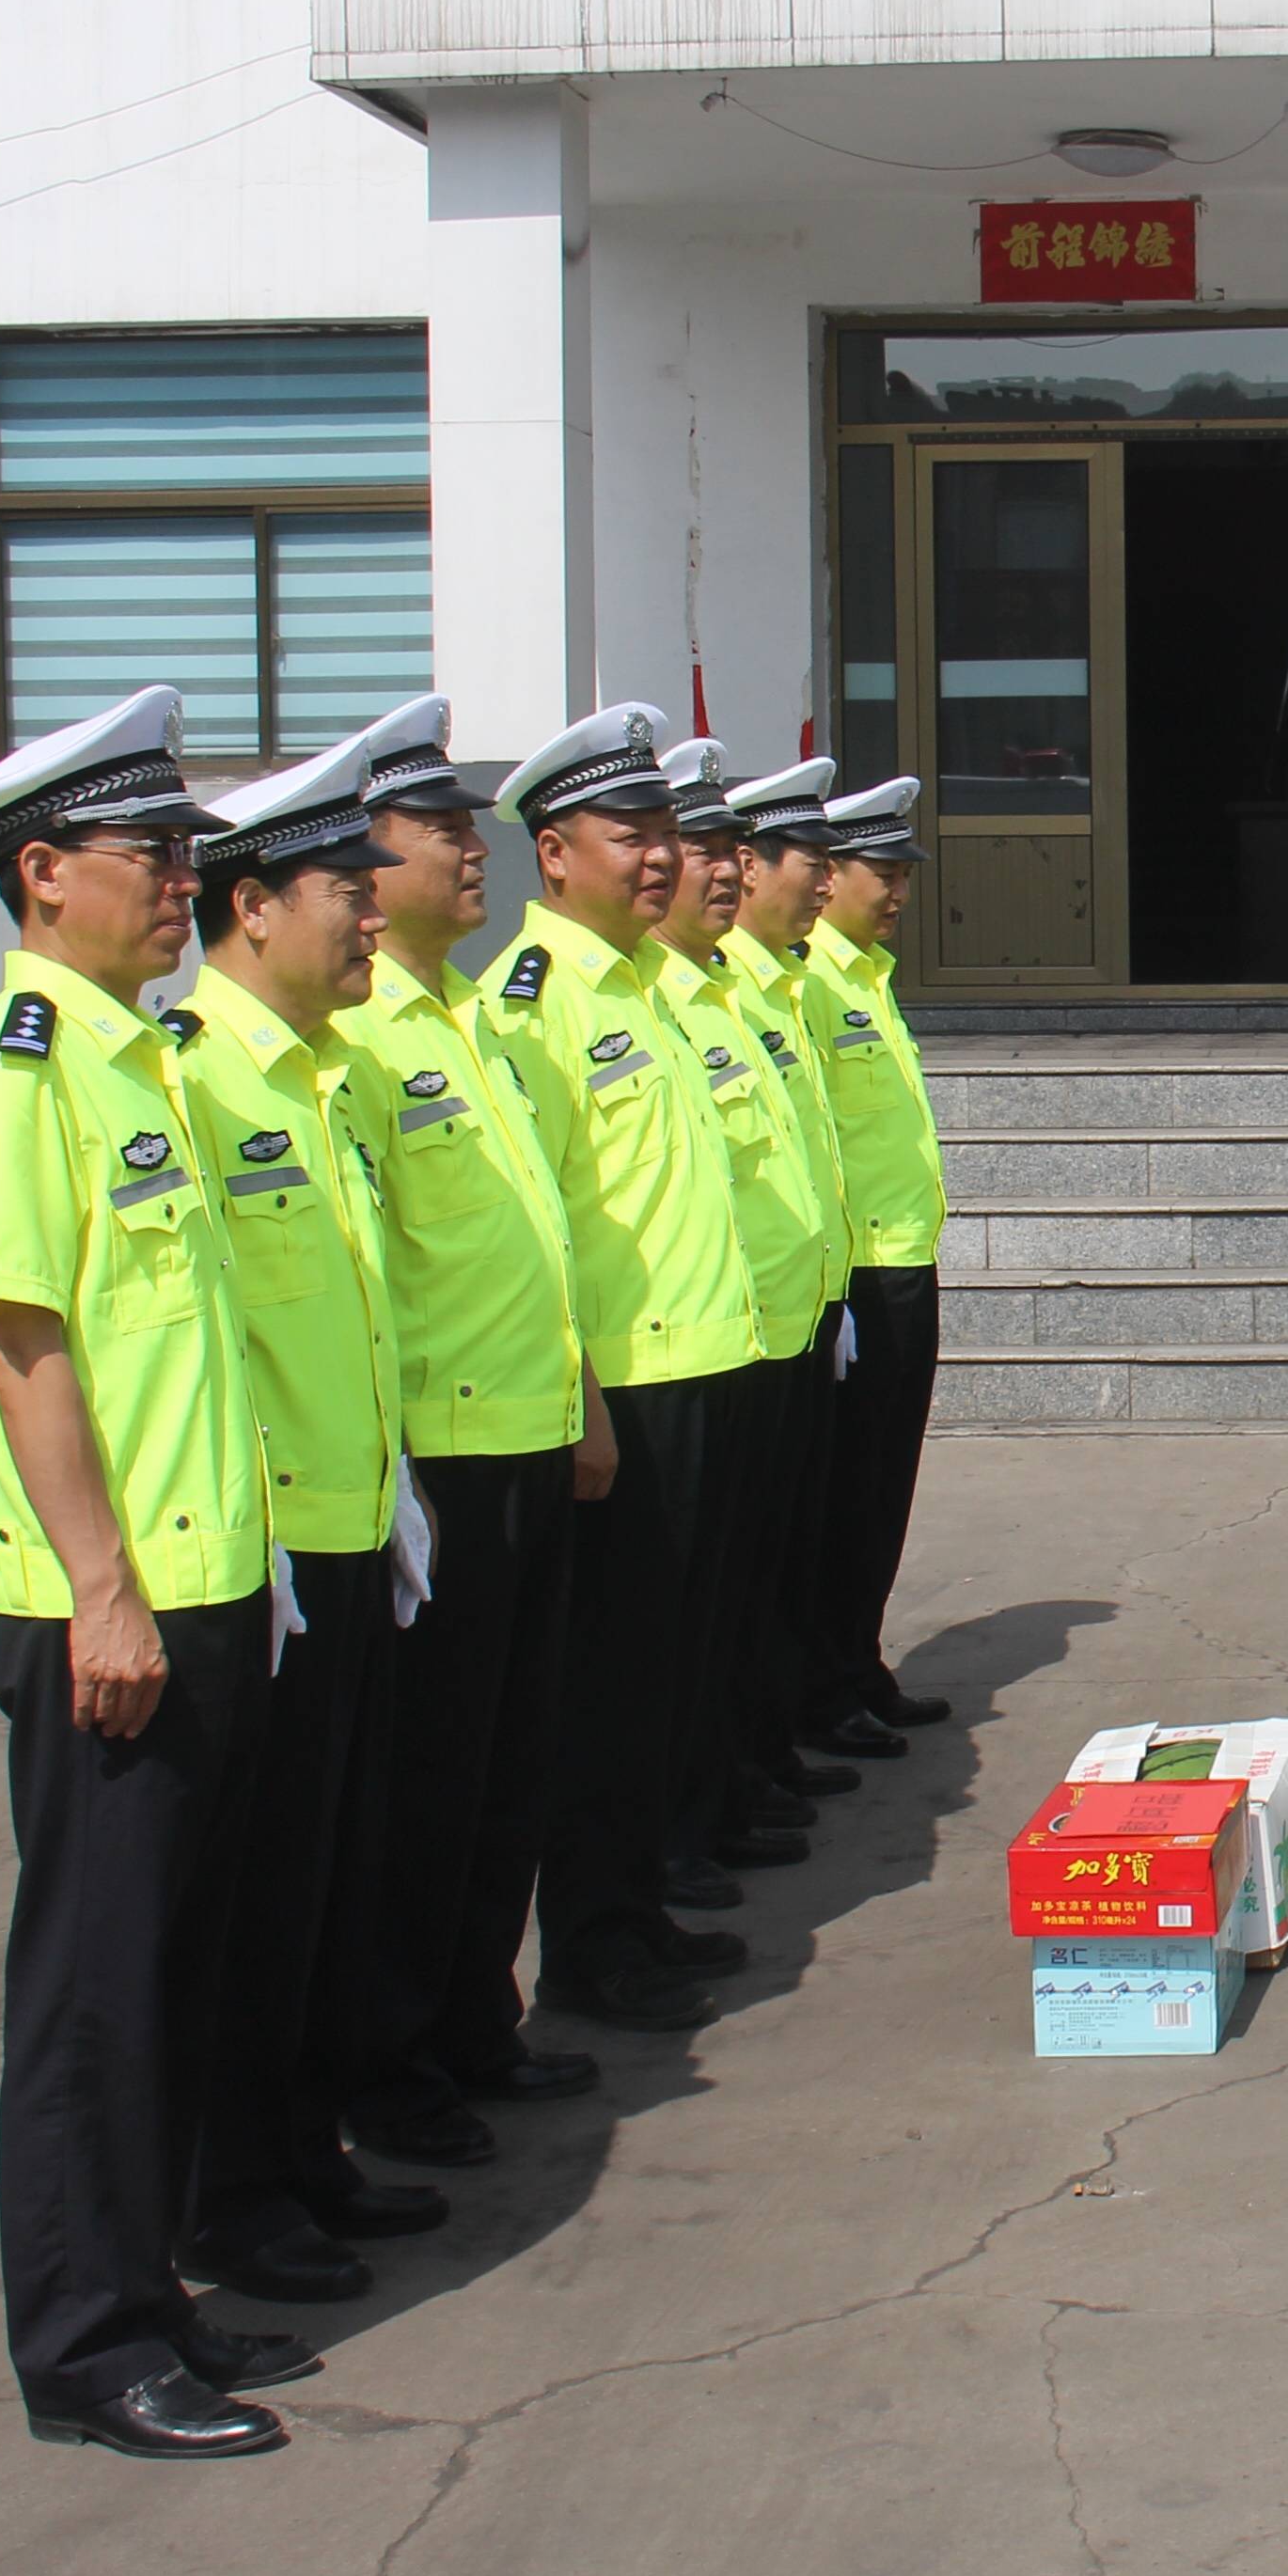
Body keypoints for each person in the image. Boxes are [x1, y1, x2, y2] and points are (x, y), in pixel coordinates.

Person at [0, 684, 298, 2459]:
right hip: (110, 1607)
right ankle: (86, 2347)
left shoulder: (135, 1052)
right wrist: (98, 1587)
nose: (182, 881)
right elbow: (24, 1345)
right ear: (45, 868)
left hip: (208, 1578)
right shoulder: (13, 1065)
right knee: (94, 1981)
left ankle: (154, 2296)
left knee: (178, 1962)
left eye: (185, 852)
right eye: (153, 853)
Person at [157, 743, 439, 2307]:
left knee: (328, 1874)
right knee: (252, 1899)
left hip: (348, 1528)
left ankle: (305, 2150)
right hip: (256, 1562)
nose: (372, 923)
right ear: (253, 906)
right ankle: (230, 2194)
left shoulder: (319, 1078)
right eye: (347, 893)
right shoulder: (195, 1079)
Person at [322, 697, 609, 2163]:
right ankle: (397, 2067)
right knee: (427, 1786)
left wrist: (578, 1401)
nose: (472, 848)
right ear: (366, 855)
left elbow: (535, 1240)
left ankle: (476, 2025)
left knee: (505, 1764)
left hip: (525, 1432)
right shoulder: (358, 1043)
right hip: (437, 1453)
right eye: (443, 828)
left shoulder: (468, 1018)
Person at [482, 703, 768, 2034]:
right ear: (554, 851)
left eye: (665, 832)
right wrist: (584, 1398)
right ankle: (592, 1943)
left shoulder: (652, 987)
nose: (659, 857)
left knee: (661, 1673)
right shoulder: (531, 1011)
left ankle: (639, 1901)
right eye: (629, 833)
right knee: (601, 1689)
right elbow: (537, 1230)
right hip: (626, 1394)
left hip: (707, 1367)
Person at [650, 739, 845, 1880]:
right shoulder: (581, 1008)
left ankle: (727, 1789)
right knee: (663, 1640)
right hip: (660, 1366)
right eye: (701, 849)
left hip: (767, 1324)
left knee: (740, 1596)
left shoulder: (722, 993)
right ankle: (665, 1846)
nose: (719, 872)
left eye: (730, 851)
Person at [794, 776, 956, 1757]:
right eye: (880, 872)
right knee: (845, 1497)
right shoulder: (805, 981)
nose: (898, 891)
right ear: (828, 877)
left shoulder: (863, 975)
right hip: (852, 1275)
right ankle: (824, 1683)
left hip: (903, 1257)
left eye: (904, 873)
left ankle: (860, 1662)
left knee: (883, 1488)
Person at [718, 755, 863, 1826]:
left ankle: (765, 1747)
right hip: (685, 1352)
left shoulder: (761, 989)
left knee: (783, 1559)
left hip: (797, 1311)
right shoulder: (541, 1011)